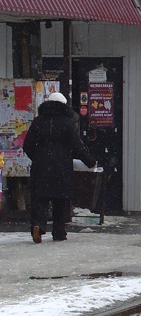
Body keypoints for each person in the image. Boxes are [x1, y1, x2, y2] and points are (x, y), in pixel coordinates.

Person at [23, 92, 96, 243]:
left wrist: (37, 158)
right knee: (60, 200)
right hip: (61, 167)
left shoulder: (38, 122)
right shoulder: (68, 123)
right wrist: (90, 161)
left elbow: (27, 145)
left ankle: (38, 225)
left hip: (40, 166)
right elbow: (78, 146)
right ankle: (59, 232)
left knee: (39, 199)